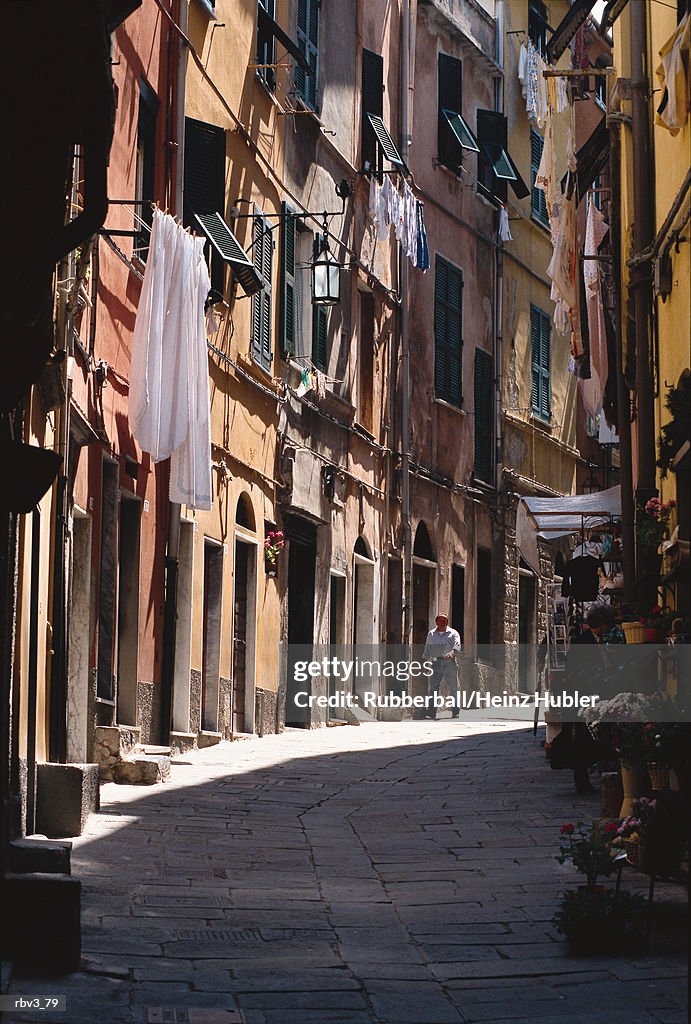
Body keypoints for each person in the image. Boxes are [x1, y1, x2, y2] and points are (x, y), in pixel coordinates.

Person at [422, 613, 461, 719]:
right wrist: (425, 663)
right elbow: (427, 650)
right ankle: (431, 711)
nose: (442, 622)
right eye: (440, 620)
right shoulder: (431, 634)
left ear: (448, 622)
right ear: (436, 622)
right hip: (436, 663)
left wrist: (451, 653)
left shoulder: (453, 633)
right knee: (433, 688)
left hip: (450, 663)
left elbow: (457, 646)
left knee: (454, 688)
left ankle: (455, 710)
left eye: (444, 620)